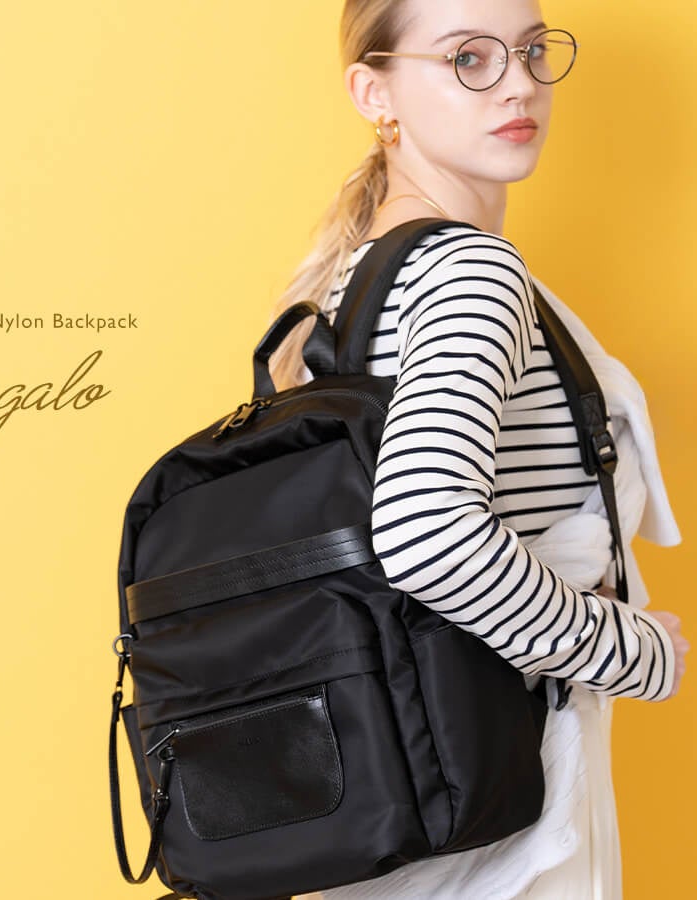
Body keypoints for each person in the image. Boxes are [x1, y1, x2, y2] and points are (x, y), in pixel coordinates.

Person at [266, 1, 691, 897]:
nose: (520, 85)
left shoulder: (355, 275)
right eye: (469, 58)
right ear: (373, 92)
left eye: (532, 51)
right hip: (505, 797)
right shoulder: (469, 272)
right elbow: (426, 534)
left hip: (404, 797)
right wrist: (634, 650)